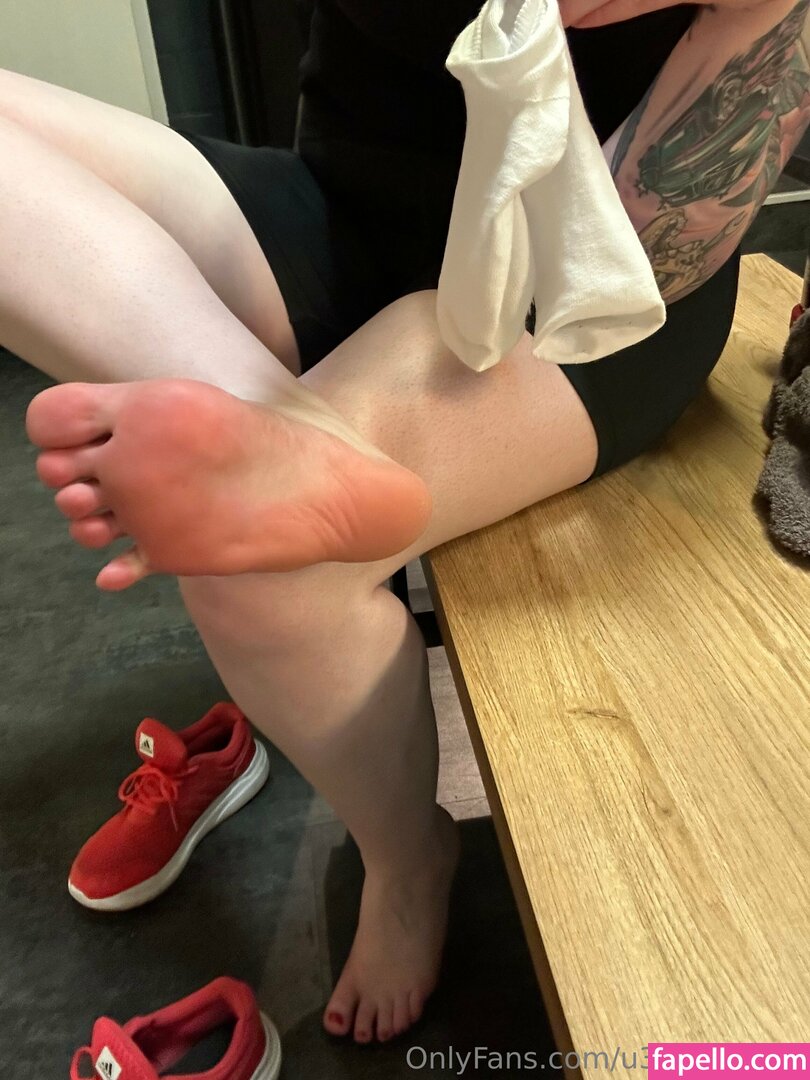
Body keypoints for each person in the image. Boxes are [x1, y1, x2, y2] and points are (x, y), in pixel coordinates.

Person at [4, 0, 809, 1046]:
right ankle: (285, 431)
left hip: (589, 280)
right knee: (261, 513)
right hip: (345, 210)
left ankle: (406, 857)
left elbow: (628, 250)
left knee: (259, 569)